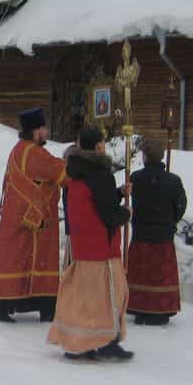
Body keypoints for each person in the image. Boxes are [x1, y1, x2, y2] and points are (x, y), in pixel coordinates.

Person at [47, 127, 134, 362]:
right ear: (97, 146)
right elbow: (108, 213)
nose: (104, 146)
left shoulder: (76, 170)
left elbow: (93, 200)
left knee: (84, 298)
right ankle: (104, 343)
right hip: (101, 249)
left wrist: (117, 193)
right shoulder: (100, 173)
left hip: (83, 245)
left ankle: (81, 342)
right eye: (103, 142)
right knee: (111, 297)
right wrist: (126, 213)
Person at [0, 108, 67, 323]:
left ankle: (11, 303)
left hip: (19, 216)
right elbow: (61, 173)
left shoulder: (18, 149)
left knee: (17, 260)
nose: (47, 131)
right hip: (32, 220)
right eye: (44, 128)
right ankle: (34, 305)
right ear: (36, 130)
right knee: (36, 258)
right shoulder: (33, 152)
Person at [127, 137, 187, 325]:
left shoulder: (136, 178)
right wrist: (170, 220)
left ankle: (139, 307)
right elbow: (180, 205)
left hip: (141, 234)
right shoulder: (173, 180)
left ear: (144, 156)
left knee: (141, 272)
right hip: (162, 235)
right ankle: (160, 309)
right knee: (160, 275)